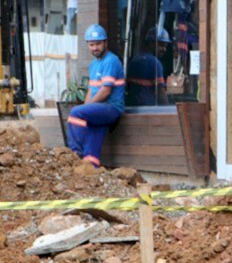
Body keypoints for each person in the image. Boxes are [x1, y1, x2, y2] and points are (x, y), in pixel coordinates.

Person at [66, 24, 125, 167]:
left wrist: (85, 110)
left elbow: (105, 91)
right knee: (91, 155)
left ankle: (75, 153)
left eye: (98, 44)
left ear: (105, 42)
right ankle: (91, 173)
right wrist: (87, 109)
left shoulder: (111, 60)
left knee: (75, 113)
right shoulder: (93, 65)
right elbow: (91, 91)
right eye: (91, 45)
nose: (95, 48)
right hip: (99, 111)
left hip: (111, 108)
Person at [127, 27, 169, 106]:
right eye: (161, 45)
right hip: (148, 109)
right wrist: (168, 112)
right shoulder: (155, 63)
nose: (164, 49)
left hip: (132, 108)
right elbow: (161, 93)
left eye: (165, 46)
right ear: (152, 43)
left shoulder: (135, 60)